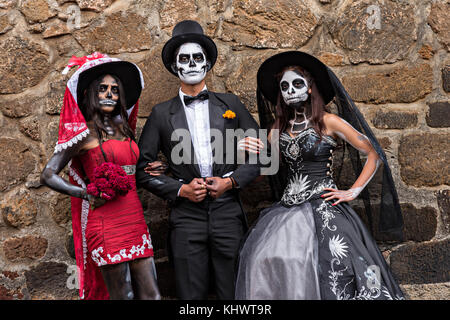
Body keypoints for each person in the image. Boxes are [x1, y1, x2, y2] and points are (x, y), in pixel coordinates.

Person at [235, 51, 405, 300]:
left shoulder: (329, 122)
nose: (291, 90)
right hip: (285, 214)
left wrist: (352, 191)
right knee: (266, 258)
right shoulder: (276, 130)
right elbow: (263, 174)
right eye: (284, 87)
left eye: (297, 84)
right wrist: (242, 155)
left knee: (332, 265)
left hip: (325, 207)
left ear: (311, 88)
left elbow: (373, 153)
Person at [136, 20, 262, 299]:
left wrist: (230, 182)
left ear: (207, 64)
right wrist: (181, 189)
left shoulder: (231, 105)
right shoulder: (159, 114)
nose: (192, 64)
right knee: (189, 293)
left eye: (198, 58)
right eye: (184, 59)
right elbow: (142, 172)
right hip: (185, 216)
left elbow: (261, 155)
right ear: (174, 67)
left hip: (228, 212)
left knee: (234, 291)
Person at [40, 53, 160, 300]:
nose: (109, 94)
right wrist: (84, 193)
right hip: (105, 222)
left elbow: (130, 166)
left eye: (115, 90)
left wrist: (154, 169)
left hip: (134, 216)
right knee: (122, 296)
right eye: (103, 89)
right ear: (90, 93)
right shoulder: (84, 134)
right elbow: (48, 174)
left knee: (152, 296)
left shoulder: (124, 128)